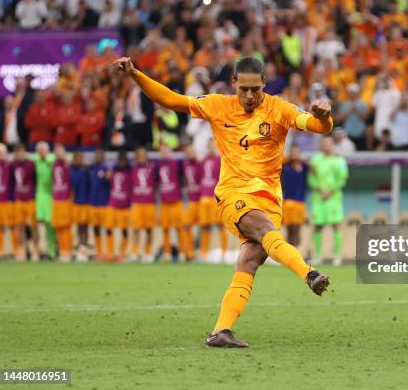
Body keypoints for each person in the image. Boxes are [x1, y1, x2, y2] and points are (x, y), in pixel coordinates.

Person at [114, 55, 332, 348]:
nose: (250, 96)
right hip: (234, 194)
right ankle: (309, 273)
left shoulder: (278, 108)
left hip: (269, 199)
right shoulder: (217, 105)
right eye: (244, 89)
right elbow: (171, 100)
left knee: (250, 261)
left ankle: (221, 331)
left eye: (256, 89)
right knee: (267, 233)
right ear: (234, 84)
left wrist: (323, 117)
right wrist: (135, 75)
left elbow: (317, 126)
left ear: (264, 84)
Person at [308, 136, 348, 266]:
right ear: (321, 145)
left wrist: (330, 191)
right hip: (318, 198)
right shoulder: (315, 160)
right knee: (318, 226)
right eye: (324, 143)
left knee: (336, 225)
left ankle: (337, 256)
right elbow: (311, 179)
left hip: (334, 198)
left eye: (329, 144)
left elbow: (343, 179)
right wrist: (320, 189)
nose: (326, 146)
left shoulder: (340, 160)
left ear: (333, 145)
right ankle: (318, 255)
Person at [158, 144, 188, 262]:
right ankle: (167, 254)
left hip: (176, 200)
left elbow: (183, 176)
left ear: (170, 151)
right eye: (162, 150)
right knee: (165, 229)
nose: (164, 152)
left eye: (166, 149)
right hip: (164, 201)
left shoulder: (177, 163)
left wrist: (184, 187)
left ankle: (182, 253)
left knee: (179, 228)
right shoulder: (157, 164)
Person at [198, 140, 226, 262]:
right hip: (204, 196)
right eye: (208, 146)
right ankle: (203, 254)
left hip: (215, 197)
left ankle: (223, 253)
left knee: (220, 225)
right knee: (205, 226)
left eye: (212, 146)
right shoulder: (203, 161)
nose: (210, 148)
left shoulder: (220, 160)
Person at [11, 143, 38, 261]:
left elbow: (37, 180)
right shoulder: (12, 165)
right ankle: (22, 250)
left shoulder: (31, 164)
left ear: (25, 152)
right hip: (18, 199)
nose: (19, 154)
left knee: (33, 226)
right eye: (17, 152)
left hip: (30, 199)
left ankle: (35, 250)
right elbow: (11, 182)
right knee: (19, 226)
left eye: (21, 151)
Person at [130, 146, 156, 262]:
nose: (141, 157)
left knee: (149, 229)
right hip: (137, 203)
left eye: (143, 154)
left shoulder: (152, 167)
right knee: (136, 229)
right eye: (139, 154)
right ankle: (134, 253)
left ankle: (148, 253)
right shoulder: (132, 168)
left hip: (149, 203)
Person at [105, 151, 132, 262]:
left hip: (125, 206)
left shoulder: (130, 172)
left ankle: (122, 254)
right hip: (113, 204)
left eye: (123, 161)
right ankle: (110, 253)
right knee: (109, 229)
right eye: (120, 160)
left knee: (124, 230)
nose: (121, 162)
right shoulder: (113, 171)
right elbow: (107, 181)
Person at [281, 145, 308, 247]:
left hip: (300, 201)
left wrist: (302, 161)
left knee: (297, 227)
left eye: (296, 152)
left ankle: (296, 249)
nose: (294, 154)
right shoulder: (285, 165)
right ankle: (290, 250)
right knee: (289, 228)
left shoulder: (304, 166)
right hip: (287, 200)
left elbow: (313, 169)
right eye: (293, 152)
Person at [34, 141, 56, 259]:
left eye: (43, 150)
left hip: (51, 196)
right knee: (38, 225)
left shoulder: (51, 160)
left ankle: (52, 250)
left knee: (50, 225)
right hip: (39, 196)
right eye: (39, 150)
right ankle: (39, 251)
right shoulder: (36, 160)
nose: (41, 152)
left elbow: (58, 158)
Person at [52, 143, 73, 262]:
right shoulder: (54, 165)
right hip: (56, 200)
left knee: (67, 227)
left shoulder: (68, 165)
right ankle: (61, 251)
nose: (59, 154)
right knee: (59, 227)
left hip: (66, 200)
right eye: (57, 151)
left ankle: (67, 251)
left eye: (61, 151)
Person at [181, 144, 202, 262]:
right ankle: (190, 254)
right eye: (187, 152)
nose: (189, 154)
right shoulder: (185, 164)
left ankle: (204, 253)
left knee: (206, 227)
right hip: (192, 201)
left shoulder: (201, 163)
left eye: (191, 152)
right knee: (186, 226)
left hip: (202, 199)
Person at [88, 150, 110, 260]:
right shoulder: (90, 169)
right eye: (96, 155)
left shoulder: (106, 169)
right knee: (96, 229)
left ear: (104, 157)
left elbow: (111, 182)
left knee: (107, 228)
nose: (98, 157)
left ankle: (108, 253)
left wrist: (109, 177)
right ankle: (99, 252)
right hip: (93, 203)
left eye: (100, 155)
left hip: (105, 203)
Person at [0, 143, 15, 259]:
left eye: (1, 152)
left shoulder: (10, 165)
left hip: (8, 200)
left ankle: (15, 251)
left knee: (11, 225)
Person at [70, 151, 91, 260]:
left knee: (85, 226)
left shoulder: (87, 170)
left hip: (86, 202)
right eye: (77, 158)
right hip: (76, 203)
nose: (79, 160)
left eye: (80, 158)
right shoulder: (72, 171)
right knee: (78, 226)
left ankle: (84, 248)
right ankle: (79, 248)